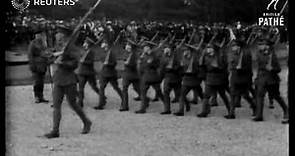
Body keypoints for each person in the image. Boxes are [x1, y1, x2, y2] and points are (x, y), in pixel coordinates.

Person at [44, 27, 92, 138]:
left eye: (60, 38)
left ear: (65, 37)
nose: (58, 40)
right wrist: (50, 59)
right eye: (57, 37)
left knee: (73, 104)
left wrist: (62, 63)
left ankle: (86, 121)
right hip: (58, 80)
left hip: (69, 80)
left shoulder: (72, 49)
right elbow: (52, 59)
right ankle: (55, 130)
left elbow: (75, 64)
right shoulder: (58, 49)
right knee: (56, 105)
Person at [253, 38, 288, 123]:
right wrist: (257, 78)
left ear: (268, 46)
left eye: (263, 44)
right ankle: (259, 115)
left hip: (271, 79)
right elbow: (258, 67)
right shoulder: (259, 54)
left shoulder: (272, 56)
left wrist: (272, 69)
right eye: (260, 45)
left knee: (276, 96)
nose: (260, 46)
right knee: (259, 96)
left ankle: (286, 110)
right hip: (261, 78)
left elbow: (278, 69)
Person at [197, 43, 230, 118]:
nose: (208, 49)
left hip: (219, 79)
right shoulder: (205, 57)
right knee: (206, 96)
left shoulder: (219, 57)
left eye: (210, 48)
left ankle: (230, 110)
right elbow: (202, 67)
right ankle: (204, 111)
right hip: (209, 78)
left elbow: (223, 67)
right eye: (207, 48)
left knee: (223, 96)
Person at [226, 40, 256, 119]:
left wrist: (241, 70)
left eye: (234, 46)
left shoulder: (246, 55)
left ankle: (254, 107)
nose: (233, 48)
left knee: (245, 95)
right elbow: (230, 66)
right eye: (232, 46)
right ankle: (231, 113)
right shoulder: (232, 55)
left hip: (243, 78)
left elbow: (248, 68)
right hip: (234, 77)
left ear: (239, 47)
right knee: (232, 95)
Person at [135, 41, 165, 114]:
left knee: (159, 92)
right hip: (145, 77)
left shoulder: (154, 56)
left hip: (153, 77)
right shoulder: (143, 56)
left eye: (146, 47)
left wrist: (151, 63)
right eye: (144, 48)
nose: (144, 49)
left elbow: (157, 65)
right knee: (143, 93)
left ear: (149, 48)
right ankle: (142, 109)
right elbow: (141, 67)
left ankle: (167, 104)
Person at [94, 41, 124, 110]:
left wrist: (108, 63)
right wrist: (104, 61)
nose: (102, 46)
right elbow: (101, 59)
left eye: (104, 45)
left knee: (116, 87)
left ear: (107, 45)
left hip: (111, 74)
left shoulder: (112, 53)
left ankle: (124, 99)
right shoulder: (104, 53)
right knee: (101, 88)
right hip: (104, 73)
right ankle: (101, 104)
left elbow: (114, 63)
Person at [174, 46, 203, 116]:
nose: (184, 52)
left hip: (194, 79)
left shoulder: (195, 59)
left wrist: (199, 78)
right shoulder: (183, 59)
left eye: (186, 51)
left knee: (202, 96)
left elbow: (199, 69)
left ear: (189, 51)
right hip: (186, 79)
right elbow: (180, 69)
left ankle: (206, 108)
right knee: (182, 96)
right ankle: (181, 111)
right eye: (184, 51)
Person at [76, 37, 100, 108]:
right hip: (82, 72)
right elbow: (80, 57)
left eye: (85, 43)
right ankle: (80, 102)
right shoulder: (84, 51)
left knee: (94, 87)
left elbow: (91, 62)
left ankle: (102, 97)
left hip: (89, 73)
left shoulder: (91, 52)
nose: (84, 44)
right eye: (84, 43)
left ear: (88, 44)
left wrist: (84, 61)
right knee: (81, 88)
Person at [28, 29, 50, 103]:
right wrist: (32, 65)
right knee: (37, 82)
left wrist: (48, 59)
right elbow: (30, 55)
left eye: (41, 35)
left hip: (43, 66)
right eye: (38, 35)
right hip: (36, 66)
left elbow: (46, 53)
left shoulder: (44, 43)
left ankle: (41, 96)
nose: (40, 36)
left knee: (41, 82)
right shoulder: (33, 44)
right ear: (36, 36)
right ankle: (36, 97)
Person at [160, 44, 182, 115]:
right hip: (167, 78)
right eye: (165, 48)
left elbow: (179, 65)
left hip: (175, 78)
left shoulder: (176, 56)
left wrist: (172, 68)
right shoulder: (164, 57)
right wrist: (161, 77)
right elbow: (162, 67)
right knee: (166, 93)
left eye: (167, 48)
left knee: (180, 94)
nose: (166, 49)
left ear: (171, 49)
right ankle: (167, 109)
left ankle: (184, 106)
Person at [120, 40, 141, 111]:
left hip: (131, 74)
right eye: (127, 45)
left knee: (132, 88)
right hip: (130, 75)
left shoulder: (134, 55)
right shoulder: (128, 54)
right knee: (128, 89)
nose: (127, 47)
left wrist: (127, 63)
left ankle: (125, 106)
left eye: (129, 46)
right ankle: (125, 106)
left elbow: (134, 64)